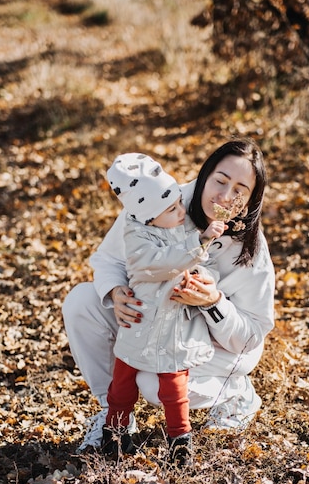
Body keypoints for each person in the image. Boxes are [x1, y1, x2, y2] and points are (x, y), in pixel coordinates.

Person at [62, 138, 275, 453]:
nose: (225, 196)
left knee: (153, 381)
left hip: (221, 347)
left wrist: (213, 303)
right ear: (205, 175)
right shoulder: (160, 200)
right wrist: (116, 290)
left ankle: (235, 394)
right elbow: (108, 259)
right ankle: (113, 414)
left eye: (240, 190)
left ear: (251, 200)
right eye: (220, 180)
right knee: (81, 302)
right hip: (156, 316)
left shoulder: (251, 251)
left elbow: (252, 334)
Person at [101, 153, 225, 465]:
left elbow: (202, 266)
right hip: (140, 320)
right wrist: (200, 241)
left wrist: (202, 281)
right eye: (172, 208)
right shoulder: (137, 236)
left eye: (179, 204)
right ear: (148, 215)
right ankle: (114, 436)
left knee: (174, 387)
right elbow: (161, 262)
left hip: (174, 326)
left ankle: (180, 442)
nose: (182, 211)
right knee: (123, 384)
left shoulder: (178, 224)